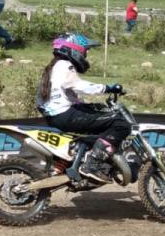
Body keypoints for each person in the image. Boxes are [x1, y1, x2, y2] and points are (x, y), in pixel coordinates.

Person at [35, 33, 127, 183]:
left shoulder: (55, 67)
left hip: (57, 115)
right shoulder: (65, 66)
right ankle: (91, 165)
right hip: (65, 115)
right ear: (74, 50)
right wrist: (107, 88)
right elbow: (80, 86)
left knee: (98, 118)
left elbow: (65, 94)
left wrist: (86, 105)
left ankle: (77, 158)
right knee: (120, 124)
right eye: (85, 50)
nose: (86, 54)